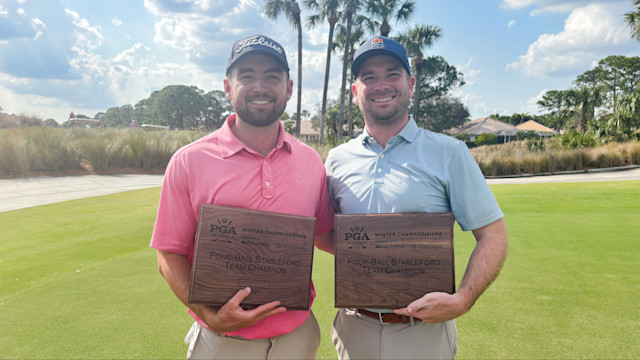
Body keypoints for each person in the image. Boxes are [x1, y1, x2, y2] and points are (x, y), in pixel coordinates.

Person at [320, 36, 509, 359]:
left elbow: (493, 235)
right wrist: (373, 255)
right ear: (355, 92)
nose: (381, 85)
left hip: (422, 333)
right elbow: (325, 234)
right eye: (368, 77)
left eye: (392, 74)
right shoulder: (337, 159)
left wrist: (463, 299)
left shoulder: (448, 152)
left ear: (410, 83)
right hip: (355, 329)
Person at [150, 34, 334, 359]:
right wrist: (207, 314)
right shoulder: (189, 161)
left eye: (272, 77)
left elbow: (323, 237)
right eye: (246, 76)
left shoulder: (310, 161)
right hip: (223, 342)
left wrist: (396, 257)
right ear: (227, 86)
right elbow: (168, 254)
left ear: (288, 89)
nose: (260, 87)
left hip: (298, 338)